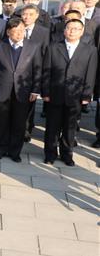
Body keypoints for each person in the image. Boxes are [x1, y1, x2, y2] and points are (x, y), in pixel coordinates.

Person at [42, 19, 97, 166]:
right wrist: (45, 91)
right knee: (52, 126)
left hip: (76, 95)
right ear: (64, 30)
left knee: (70, 128)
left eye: (76, 29)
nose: (72, 31)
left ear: (82, 31)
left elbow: (90, 73)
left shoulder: (90, 50)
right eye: (69, 28)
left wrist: (87, 94)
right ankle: (50, 154)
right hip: (55, 93)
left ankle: (67, 154)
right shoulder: (53, 47)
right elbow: (46, 71)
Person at [0, 17, 42, 162]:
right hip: (2, 89)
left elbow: (37, 70)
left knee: (19, 124)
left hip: (23, 91)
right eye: (15, 30)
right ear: (8, 32)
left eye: (22, 30)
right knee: (2, 123)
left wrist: (35, 90)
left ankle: (14, 152)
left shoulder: (33, 46)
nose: (19, 34)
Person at [20, 5, 51, 141]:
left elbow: (45, 53)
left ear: (37, 16)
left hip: (34, 72)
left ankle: (27, 129)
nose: (27, 17)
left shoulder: (43, 32)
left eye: (30, 14)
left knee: (30, 103)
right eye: (24, 14)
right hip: (18, 71)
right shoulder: (16, 27)